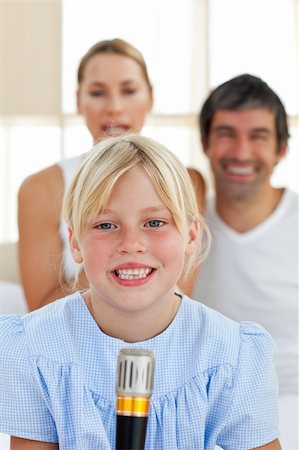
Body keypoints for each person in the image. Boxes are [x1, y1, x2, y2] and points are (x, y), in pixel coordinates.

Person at [0, 134, 281, 449]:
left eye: (155, 222)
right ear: (76, 242)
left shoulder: (234, 355)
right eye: (106, 225)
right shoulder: (35, 350)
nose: (131, 243)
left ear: (190, 237)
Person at [10, 38, 204, 314]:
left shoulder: (186, 181)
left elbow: (177, 290)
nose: (114, 107)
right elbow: (40, 313)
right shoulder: (42, 188)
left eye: (128, 90)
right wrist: (104, 257)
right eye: (98, 93)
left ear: (150, 97)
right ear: (78, 101)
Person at [192, 74, 298, 450]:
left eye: (258, 136)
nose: (240, 151)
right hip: (205, 405)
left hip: (291, 398)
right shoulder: (180, 229)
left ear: (282, 148)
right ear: (204, 142)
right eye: (226, 133)